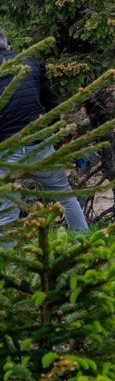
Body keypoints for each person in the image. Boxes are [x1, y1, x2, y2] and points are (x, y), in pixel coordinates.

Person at [0, 28, 89, 236]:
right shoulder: (31, 62)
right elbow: (51, 105)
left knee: (6, 213)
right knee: (66, 196)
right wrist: (60, 137)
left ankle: (8, 265)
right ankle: (86, 245)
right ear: (8, 46)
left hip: (6, 151)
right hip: (39, 145)